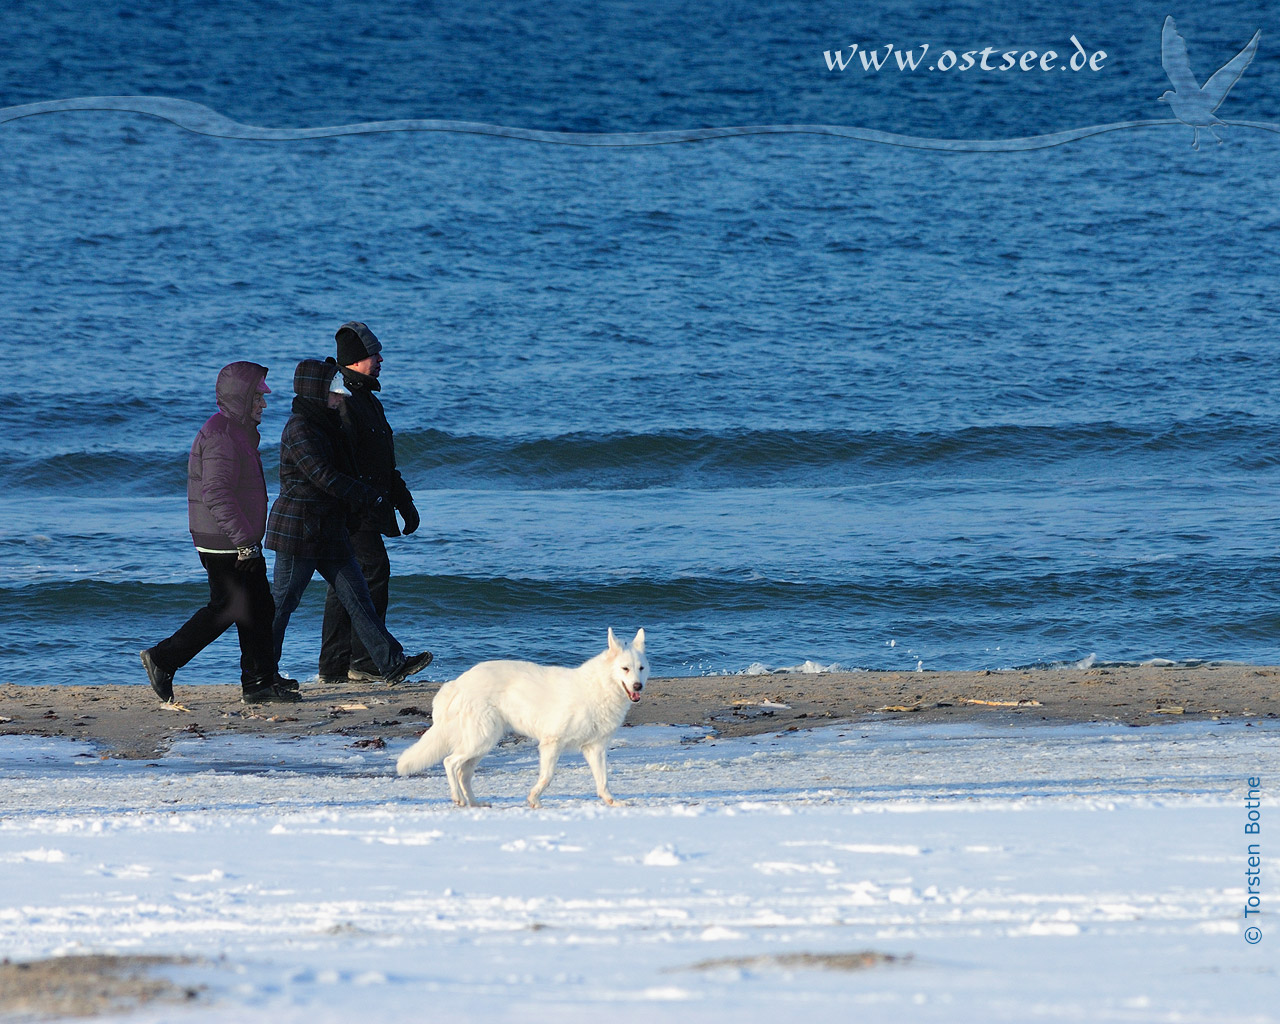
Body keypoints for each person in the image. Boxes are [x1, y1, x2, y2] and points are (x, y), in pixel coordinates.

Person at [140, 362, 299, 705]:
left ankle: (260, 681)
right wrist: (244, 543)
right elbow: (216, 493)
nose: (264, 404)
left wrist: (247, 541)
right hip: (225, 542)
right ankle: (163, 659)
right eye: (258, 397)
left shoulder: (236, 431)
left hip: (235, 539)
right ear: (241, 398)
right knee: (228, 607)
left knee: (259, 607)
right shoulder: (222, 435)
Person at [267, 357, 432, 685]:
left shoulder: (327, 424)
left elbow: (362, 465)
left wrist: (394, 497)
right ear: (317, 391)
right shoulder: (299, 428)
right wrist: (369, 496)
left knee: (359, 597)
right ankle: (261, 671)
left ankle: (390, 662)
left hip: (330, 529)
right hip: (299, 531)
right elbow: (324, 477)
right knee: (283, 604)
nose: (341, 397)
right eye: (334, 392)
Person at [318, 321, 420, 684]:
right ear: (355, 360)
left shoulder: (368, 399)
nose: (380, 360)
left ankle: (333, 666)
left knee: (346, 582)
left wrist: (403, 502)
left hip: (372, 506)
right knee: (371, 572)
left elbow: (383, 459)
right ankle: (363, 661)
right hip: (352, 509)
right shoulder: (342, 399)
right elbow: (337, 461)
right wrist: (352, 501)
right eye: (373, 355)